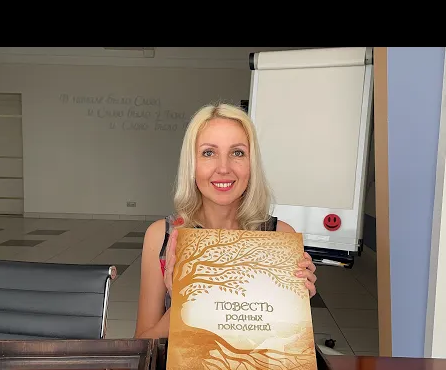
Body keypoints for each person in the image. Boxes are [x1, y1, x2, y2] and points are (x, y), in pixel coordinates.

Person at [134, 102, 317, 339]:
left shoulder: (281, 237)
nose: (223, 168)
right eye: (208, 153)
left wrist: (295, 303)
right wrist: (184, 305)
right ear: (192, 164)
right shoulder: (162, 236)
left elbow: (287, 343)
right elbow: (142, 344)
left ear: (251, 163)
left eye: (237, 153)